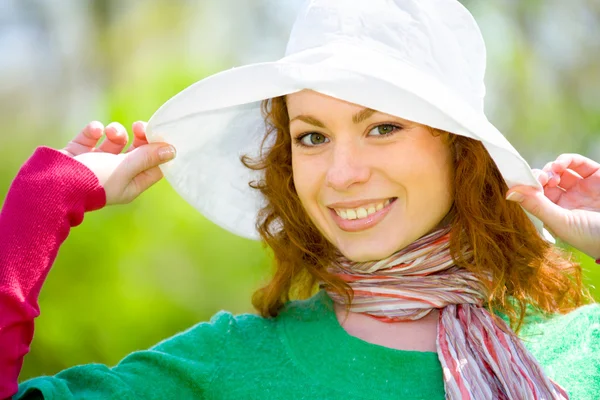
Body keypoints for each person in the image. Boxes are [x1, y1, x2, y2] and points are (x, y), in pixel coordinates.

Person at [1, 0, 599, 399]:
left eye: (382, 128)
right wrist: (43, 202)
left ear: (462, 152)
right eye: (312, 136)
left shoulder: (581, 348)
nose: (340, 174)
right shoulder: (226, 367)